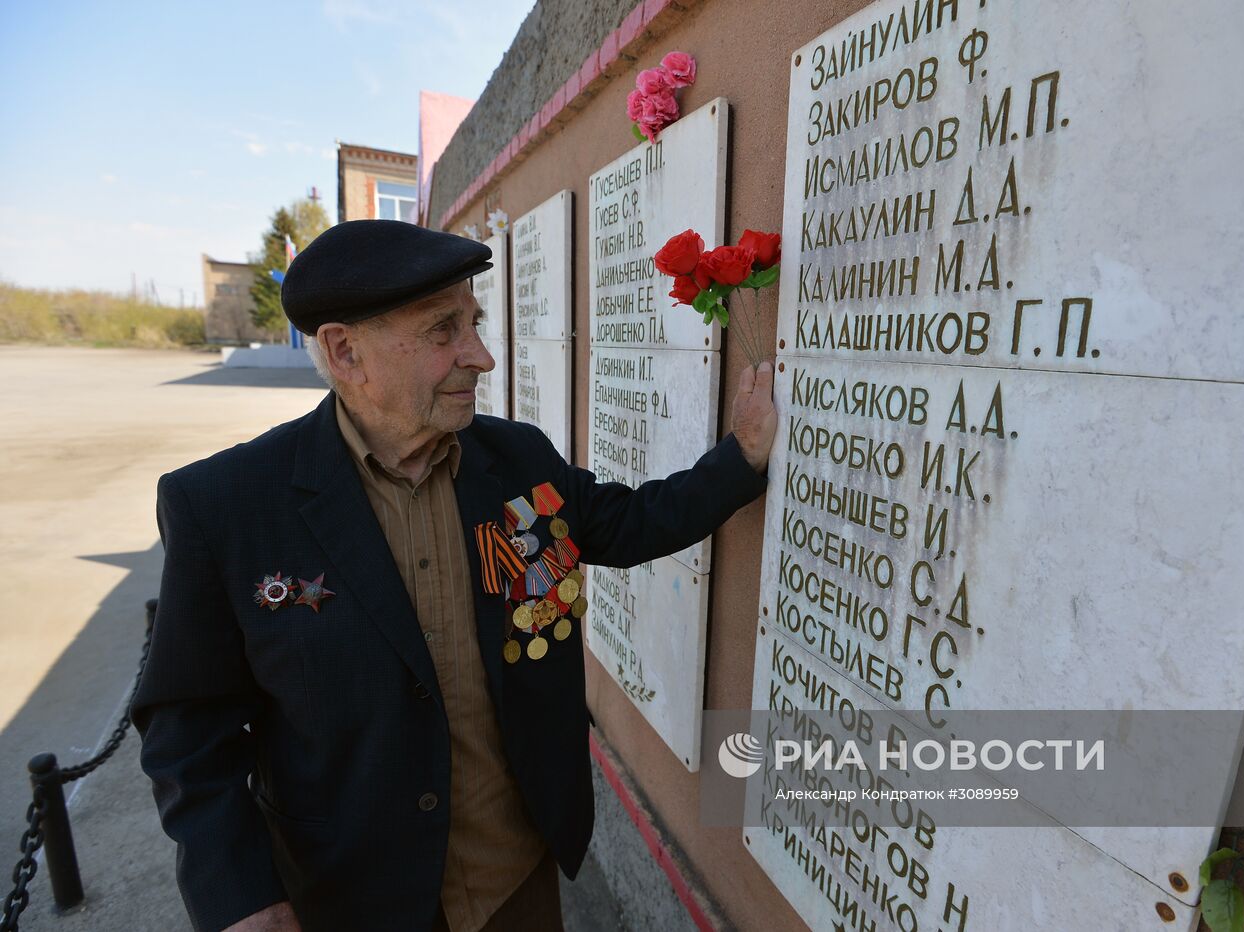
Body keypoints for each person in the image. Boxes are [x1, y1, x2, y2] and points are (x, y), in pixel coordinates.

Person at [131, 220, 777, 932]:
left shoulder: (516, 460)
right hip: (347, 900)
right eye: (444, 332)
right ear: (347, 352)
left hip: (513, 879)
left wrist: (742, 456)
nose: (483, 357)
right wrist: (241, 897)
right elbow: (187, 730)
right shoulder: (226, 505)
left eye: (475, 322)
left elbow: (625, 524)